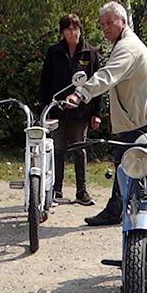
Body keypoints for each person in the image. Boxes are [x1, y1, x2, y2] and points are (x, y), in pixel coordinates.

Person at [65, 1, 147, 226]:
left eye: (110, 22)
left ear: (123, 22)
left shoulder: (127, 47)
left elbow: (108, 75)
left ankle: (125, 212)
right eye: (102, 24)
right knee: (129, 166)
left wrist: (80, 94)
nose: (105, 28)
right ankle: (124, 208)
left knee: (126, 165)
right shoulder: (127, 43)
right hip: (139, 116)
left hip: (136, 120)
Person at [38, 14, 102, 206]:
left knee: (79, 149)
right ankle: (56, 190)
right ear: (62, 32)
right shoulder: (54, 52)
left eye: (76, 28)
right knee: (57, 149)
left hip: (81, 111)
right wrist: (45, 109)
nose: (73, 33)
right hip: (56, 109)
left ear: (81, 30)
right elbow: (45, 82)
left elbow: (97, 85)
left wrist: (96, 113)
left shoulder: (90, 52)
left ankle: (81, 191)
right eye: (68, 29)